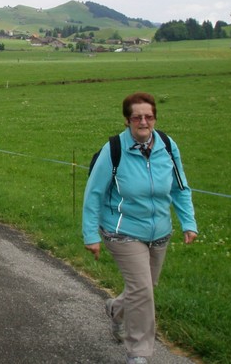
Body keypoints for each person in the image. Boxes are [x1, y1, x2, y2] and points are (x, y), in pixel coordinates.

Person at [82, 92, 197, 364]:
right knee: (143, 291)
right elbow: (94, 192)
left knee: (144, 287)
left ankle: (115, 309)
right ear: (127, 120)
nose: (143, 122)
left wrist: (188, 222)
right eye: (137, 117)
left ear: (155, 118)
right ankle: (139, 353)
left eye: (149, 116)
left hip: (160, 231)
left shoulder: (167, 145)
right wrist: (90, 234)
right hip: (122, 230)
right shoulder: (114, 149)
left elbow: (180, 187)